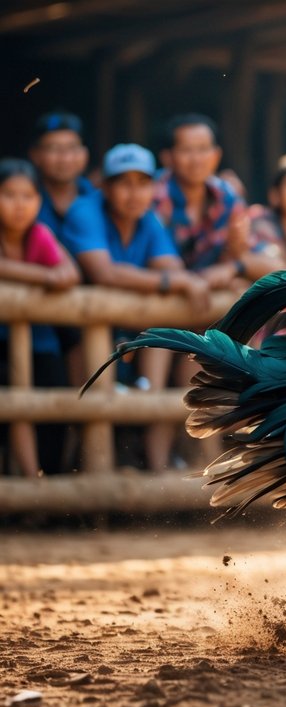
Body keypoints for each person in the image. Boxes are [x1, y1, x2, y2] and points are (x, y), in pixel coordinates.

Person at [65, 144, 210, 471]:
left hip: (128, 338)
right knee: (80, 422)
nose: (134, 192)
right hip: (74, 338)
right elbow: (105, 273)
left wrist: (178, 280)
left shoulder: (149, 221)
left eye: (142, 183)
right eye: (124, 182)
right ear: (106, 186)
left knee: (164, 341)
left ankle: (156, 471)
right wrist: (172, 283)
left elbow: (173, 268)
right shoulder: (85, 210)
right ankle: (96, 490)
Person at [0, 159, 80, 477]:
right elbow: (54, 276)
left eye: (27, 196)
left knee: (53, 411)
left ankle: (47, 491)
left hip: (41, 343)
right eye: (8, 195)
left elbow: (69, 274)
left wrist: (37, 276)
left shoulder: (40, 234)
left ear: (38, 201)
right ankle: (29, 489)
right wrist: (42, 275)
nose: (19, 205)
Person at [152, 114, 264, 286]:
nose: (196, 159)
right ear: (168, 158)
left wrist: (233, 265)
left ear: (216, 155)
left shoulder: (228, 195)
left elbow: (255, 258)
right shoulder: (152, 196)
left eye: (203, 149)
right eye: (186, 150)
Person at [28, 112, 95, 252]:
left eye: (72, 148)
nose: (65, 158)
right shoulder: (24, 199)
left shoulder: (98, 199)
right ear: (35, 155)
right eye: (54, 149)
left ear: (85, 153)